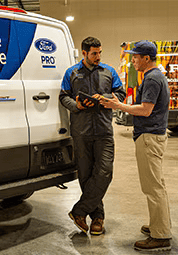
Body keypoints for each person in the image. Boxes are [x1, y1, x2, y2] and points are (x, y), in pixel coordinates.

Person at [100, 40, 172, 251]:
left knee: (153, 187)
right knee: (156, 184)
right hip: (153, 136)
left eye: (136, 57)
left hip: (149, 137)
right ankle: (159, 225)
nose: (133, 61)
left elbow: (145, 110)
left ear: (146, 58)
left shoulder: (152, 79)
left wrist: (118, 106)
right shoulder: (156, 76)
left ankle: (161, 236)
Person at [60, 36, 126, 235]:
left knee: (105, 172)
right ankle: (98, 217)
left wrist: (104, 98)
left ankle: (79, 211)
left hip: (104, 130)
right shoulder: (71, 73)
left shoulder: (109, 71)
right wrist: (77, 106)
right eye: (94, 53)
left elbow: (120, 94)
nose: (98, 57)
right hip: (80, 131)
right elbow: (63, 96)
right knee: (86, 175)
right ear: (84, 53)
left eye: (100, 53)